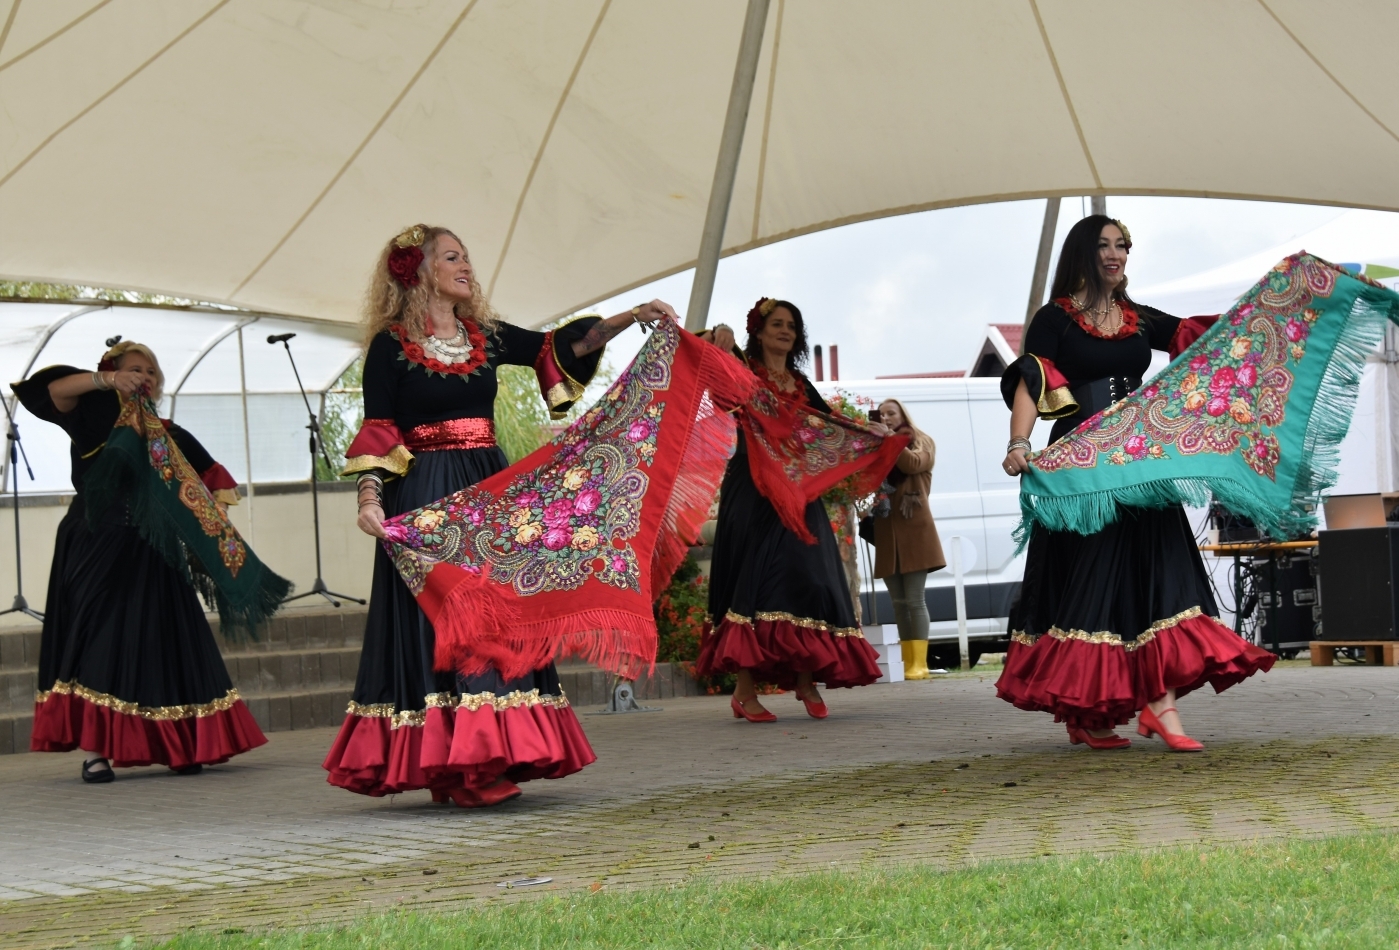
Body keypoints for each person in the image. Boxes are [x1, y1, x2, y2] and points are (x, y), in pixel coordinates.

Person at [323, 223, 692, 806]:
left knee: (497, 616)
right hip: (425, 499)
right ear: (418, 272)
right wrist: (369, 499)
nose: (466, 266)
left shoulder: (484, 337)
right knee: (442, 626)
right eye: (452, 257)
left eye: (466, 256)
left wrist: (632, 315)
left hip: (486, 490)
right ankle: (456, 768)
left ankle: (481, 759)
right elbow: (380, 429)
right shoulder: (390, 347)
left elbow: (561, 348)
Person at [996, 215, 1274, 751]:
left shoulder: (1139, 318)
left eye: (1121, 245)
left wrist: (1280, 304)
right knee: (1092, 582)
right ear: (1082, 253)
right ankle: (1089, 708)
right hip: (1085, 467)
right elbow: (1031, 378)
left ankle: (1161, 706)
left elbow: (1213, 341)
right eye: (1102, 245)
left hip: (1143, 462)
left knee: (1162, 575)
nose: (1114, 254)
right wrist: (1018, 444)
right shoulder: (1055, 319)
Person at [13, 342, 267, 782]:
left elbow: (214, 489)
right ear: (113, 372)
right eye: (135, 368)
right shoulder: (94, 415)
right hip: (97, 541)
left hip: (155, 549)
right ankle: (96, 753)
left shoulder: (171, 435)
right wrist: (108, 381)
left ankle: (179, 744)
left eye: (151, 371)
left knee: (164, 641)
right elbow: (48, 390)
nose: (144, 376)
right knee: (98, 639)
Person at [696, 298, 889, 722]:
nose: (786, 331)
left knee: (812, 578)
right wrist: (718, 336)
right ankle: (744, 691)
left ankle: (804, 679)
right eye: (777, 324)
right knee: (753, 583)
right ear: (759, 332)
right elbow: (699, 360)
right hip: (753, 489)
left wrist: (871, 433)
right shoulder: (743, 369)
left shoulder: (799, 382)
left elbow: (829, 422)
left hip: (799, 491)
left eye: (792, 326)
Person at [871, 399, 945, 679]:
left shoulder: (921, 441)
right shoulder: (879, 444)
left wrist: (889, 439)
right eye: (882, 414)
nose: (886, 417)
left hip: (914, 528)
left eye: (891, 413)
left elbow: (913, 464)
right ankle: (907, 661)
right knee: (899, 603)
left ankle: (920, 664)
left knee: (915, 600)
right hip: (888, 529)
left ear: (903, 414)